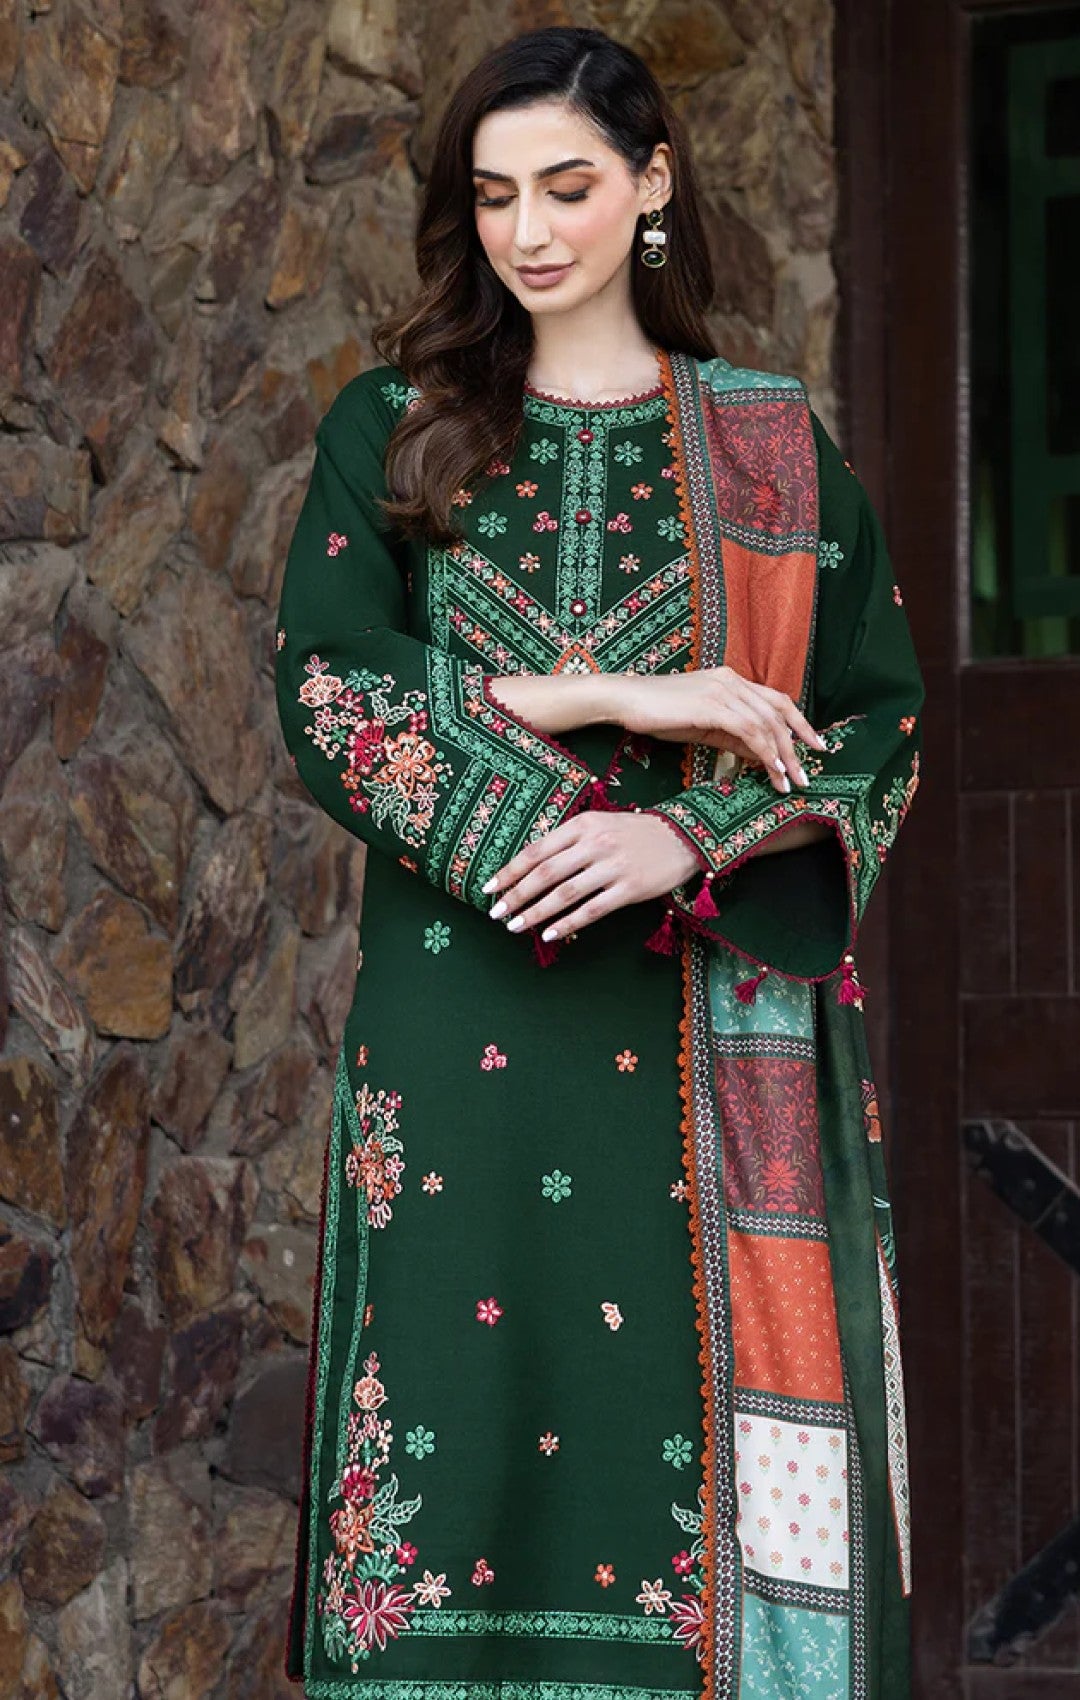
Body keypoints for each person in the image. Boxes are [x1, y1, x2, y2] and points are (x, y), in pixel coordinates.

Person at [272, 24, 922, 1700]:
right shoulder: (394, 428)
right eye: (495, 195)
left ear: (651, 184)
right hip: (455, 1047)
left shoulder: (771, 449)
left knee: (663, 1461)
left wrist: (680, 835)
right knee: (450, 1437)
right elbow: (328, 684)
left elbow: (877, 728)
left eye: (567, 186)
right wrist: (618, 695)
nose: (529, 230)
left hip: (687, 1039)